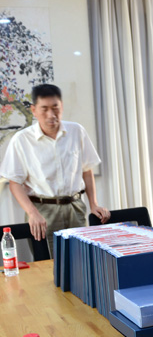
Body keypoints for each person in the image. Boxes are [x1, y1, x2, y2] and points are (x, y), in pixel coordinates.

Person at [0, 83, 110, 255]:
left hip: (75, 208)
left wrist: (93, 203)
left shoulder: (76, 131)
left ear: (62, 107)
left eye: (55, 108)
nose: (51, 115)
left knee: (81, 258)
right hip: (42, 211)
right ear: (34, 110)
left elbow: (86, 170)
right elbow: (15, 183)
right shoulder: (22, 140)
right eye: (44, 109)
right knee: (48, 262)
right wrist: (32, 213)